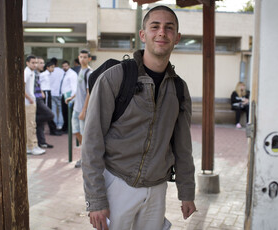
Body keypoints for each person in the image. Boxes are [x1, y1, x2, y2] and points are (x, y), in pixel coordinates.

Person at [82, 6, 196, 230]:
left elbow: (183, 146)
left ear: (177, 38)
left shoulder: (179, 89)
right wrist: (95, 199)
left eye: (169, 28)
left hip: (157, 189)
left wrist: (187, 192)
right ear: (143, 35)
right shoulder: (115, 78)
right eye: (155, 27)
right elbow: (92, 142)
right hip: (117, 182)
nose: (162, 32)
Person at [72, 49, 92, 168]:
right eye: (81, 57)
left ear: (89, 59)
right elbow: (80, 89)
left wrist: (84, 110)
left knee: (84, 135)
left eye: (85, 57)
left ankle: (84, 158)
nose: (83, 59)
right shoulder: (80, 70)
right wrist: (72, 97)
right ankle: (84, 154)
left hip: (82, 109)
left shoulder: (89, 73)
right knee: (76, 132)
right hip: (76, 107)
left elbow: (89, 92)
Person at [24, 55, 45, 155]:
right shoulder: (26, 72)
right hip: (28, 103)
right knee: (30, 125)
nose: (35, 64)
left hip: (32, 102)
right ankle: (32, 147)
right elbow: (21, 87)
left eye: (36, 62)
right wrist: (29, 99)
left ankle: (31, 145)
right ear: (27, 63)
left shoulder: (32, 72)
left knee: (32, 125)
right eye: (32, 62)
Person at [34, 57, 55, 148]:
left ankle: (42, 142)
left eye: (43, 63)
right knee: (49, 114)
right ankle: (31, 121)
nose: (43, 65)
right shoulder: (32, 73)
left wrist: (41, 92)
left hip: (40, 98)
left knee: (41, 124)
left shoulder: (38, 74)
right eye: (40, 63)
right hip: (36, 100)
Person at [39, 61, 62, 136]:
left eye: (54, 67)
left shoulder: (49, 74)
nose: (53, 69)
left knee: (49, 110)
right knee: (47, 110)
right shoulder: (43, 74)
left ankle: (53, 129)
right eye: (52, 67)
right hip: (45, 92)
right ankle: (52, 129)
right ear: (47, 67)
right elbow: (38, 83)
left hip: (48, 92)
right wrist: (41, 92)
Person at [60, 60, 78, 133]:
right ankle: (65, 127)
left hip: (69, 96)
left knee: (68, 113)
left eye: (66, 66)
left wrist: (72, 98)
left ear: (69, 66)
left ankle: (68, 129)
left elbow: (74, 87)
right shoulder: (65, 73)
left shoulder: (72, 74)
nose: (64, 67)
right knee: (64, 112)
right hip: (64, 95)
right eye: (63, 66)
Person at [49, 57, 65, 130]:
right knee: (60, 110)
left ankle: (55, 124)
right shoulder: (61, 71)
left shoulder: (50, 71)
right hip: (59, 93)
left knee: (53, 110)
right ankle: (60, 125)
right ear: (57, 63)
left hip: (52, 93)